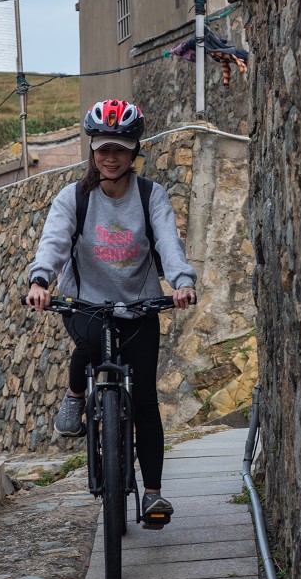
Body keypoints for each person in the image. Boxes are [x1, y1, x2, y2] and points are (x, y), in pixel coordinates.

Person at [25, 98, 197, 526]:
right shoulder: (74, 198)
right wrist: (40, 281)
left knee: (144, 402)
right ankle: (76, 395)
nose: (111, 157)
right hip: (86, 302)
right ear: (92, 151)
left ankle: (153, 495)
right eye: (103, 148)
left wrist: (181, 282)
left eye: (120, 148)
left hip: (139, 307)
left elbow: (167, 243)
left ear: (135, 150)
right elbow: (54, 241)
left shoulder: (149, 195)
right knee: (88, 340)